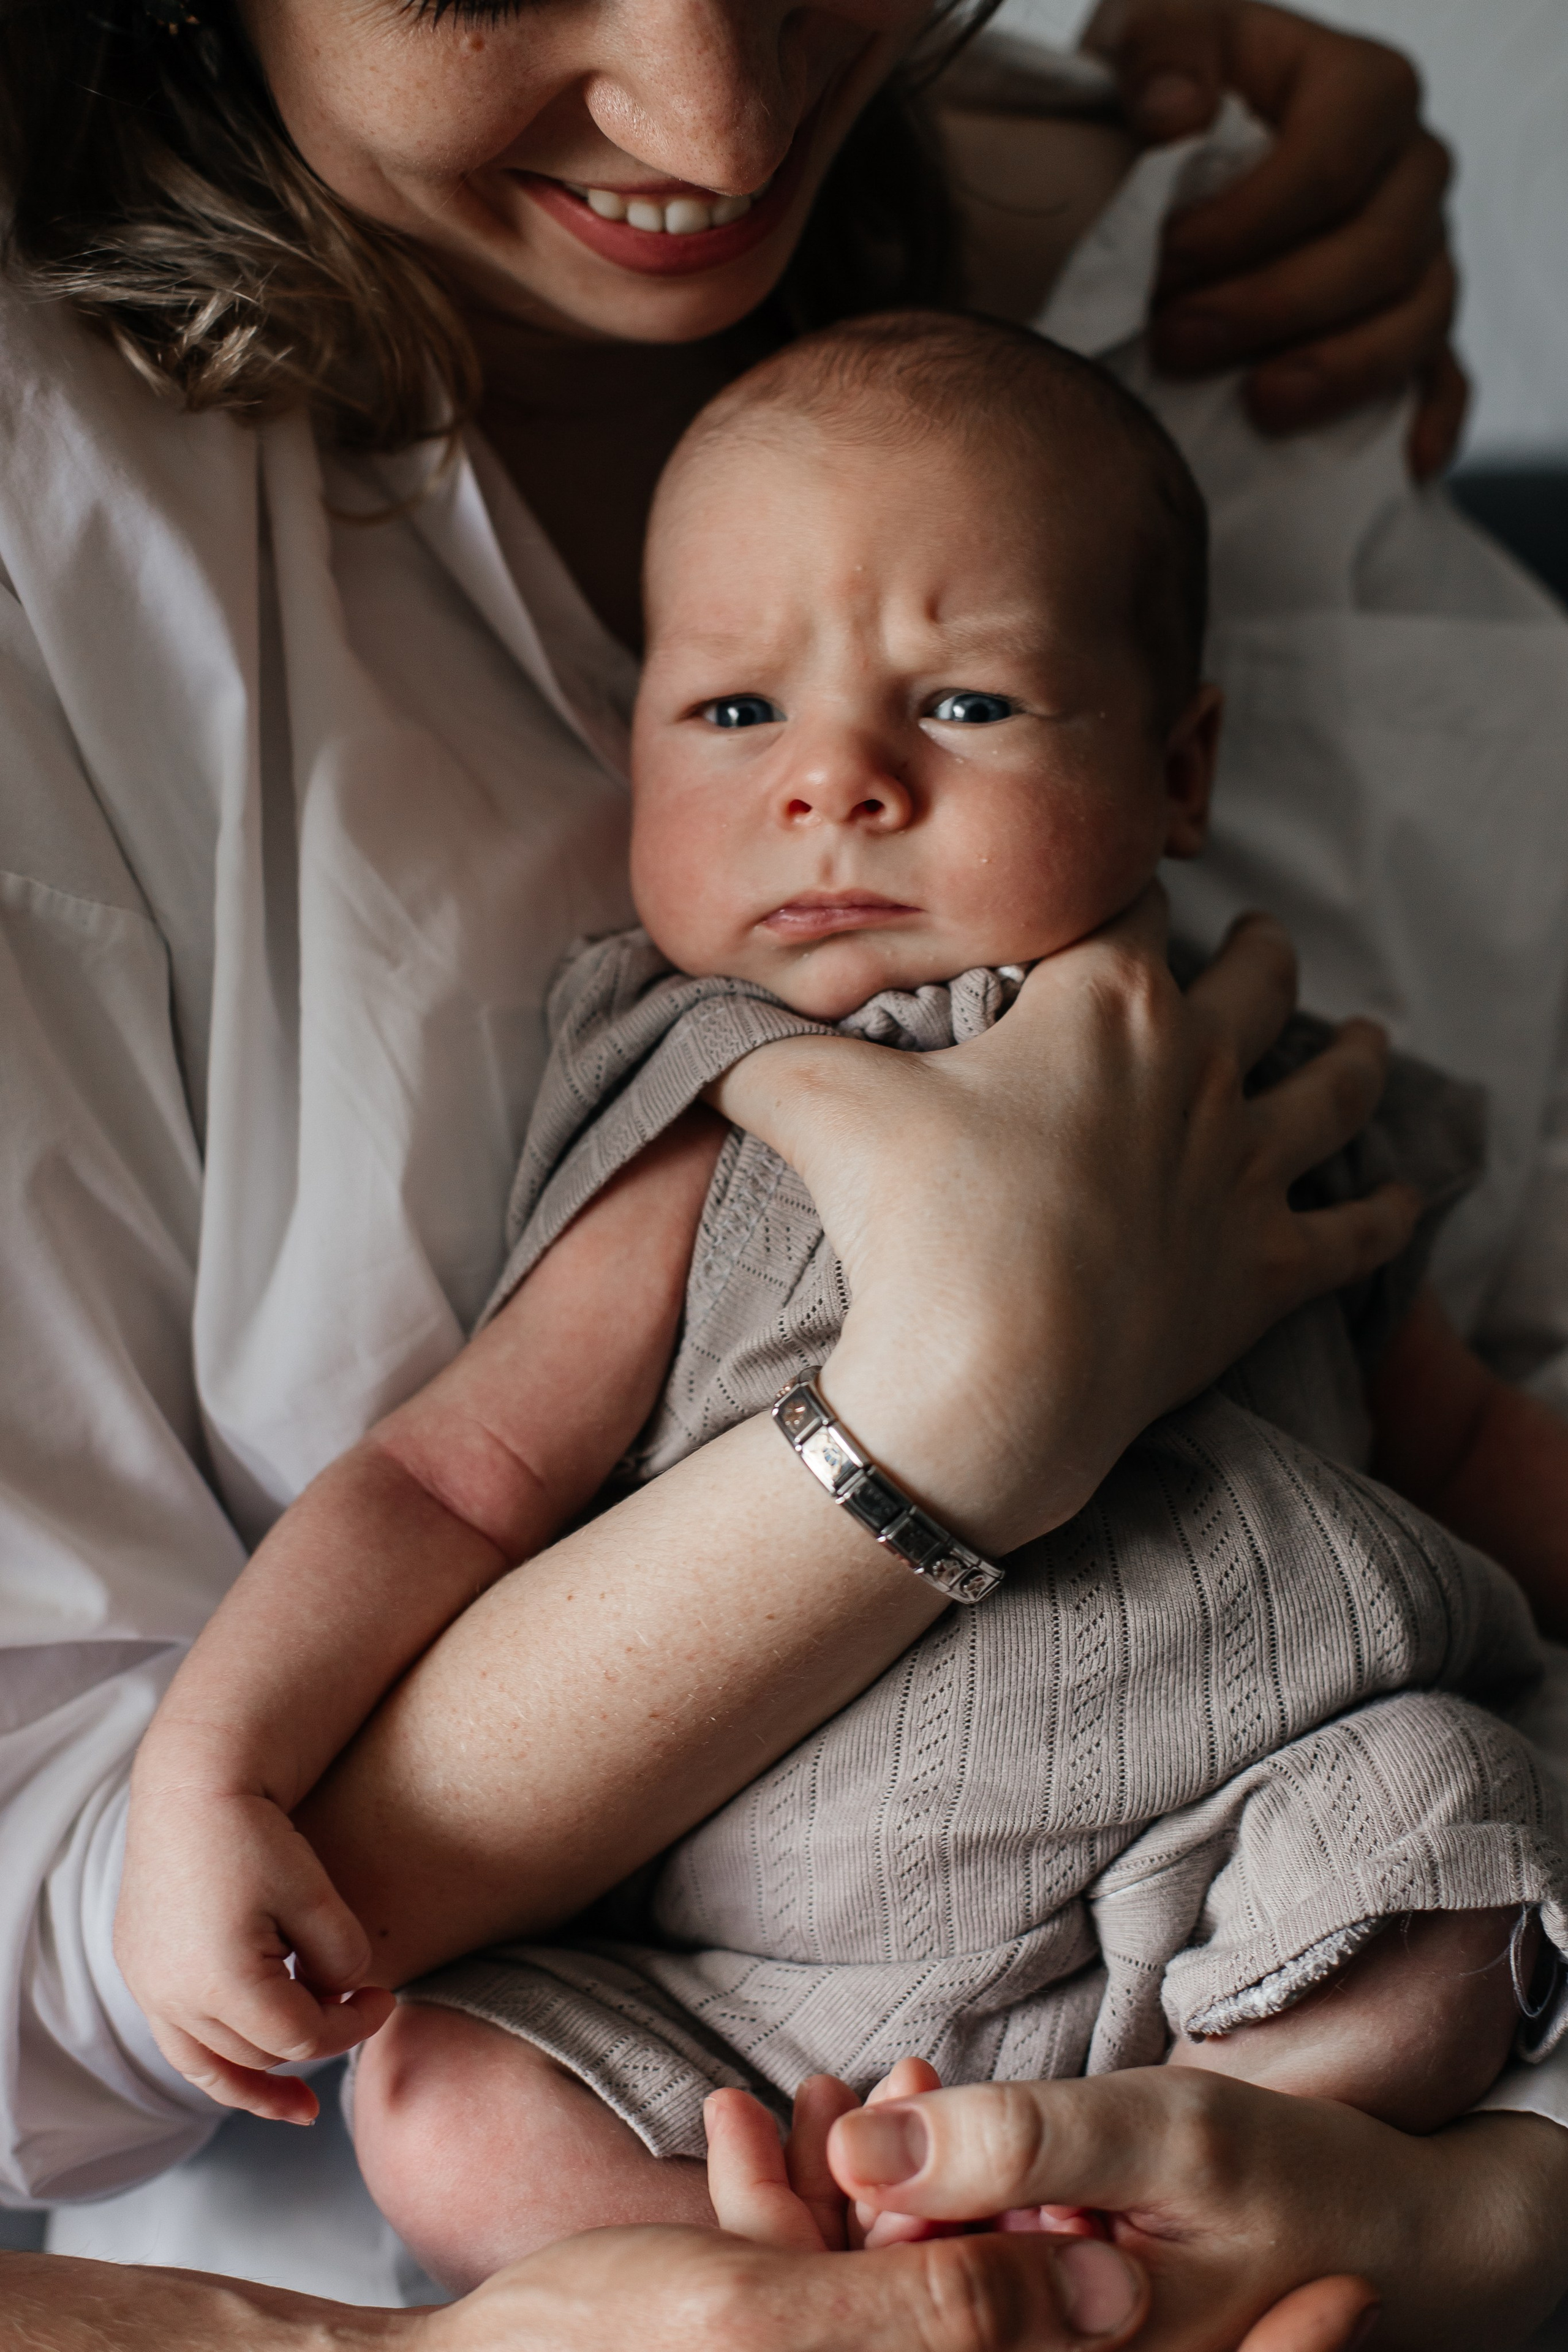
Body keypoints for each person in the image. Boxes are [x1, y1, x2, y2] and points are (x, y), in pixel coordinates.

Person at [4, 1, 1567, 2348]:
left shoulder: (1284, 1061)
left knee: (1457, 1831)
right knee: (439, 2091)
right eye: (734, 715)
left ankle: (1236, 2138)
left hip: (1232, 1878)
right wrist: (224, 1767)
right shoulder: (696, 1087)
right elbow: (450, 1478)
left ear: (1176, 765)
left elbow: (1467, 1435)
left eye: (962, 709)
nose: (836, 789)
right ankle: (766, 2278)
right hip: (722, 1988)